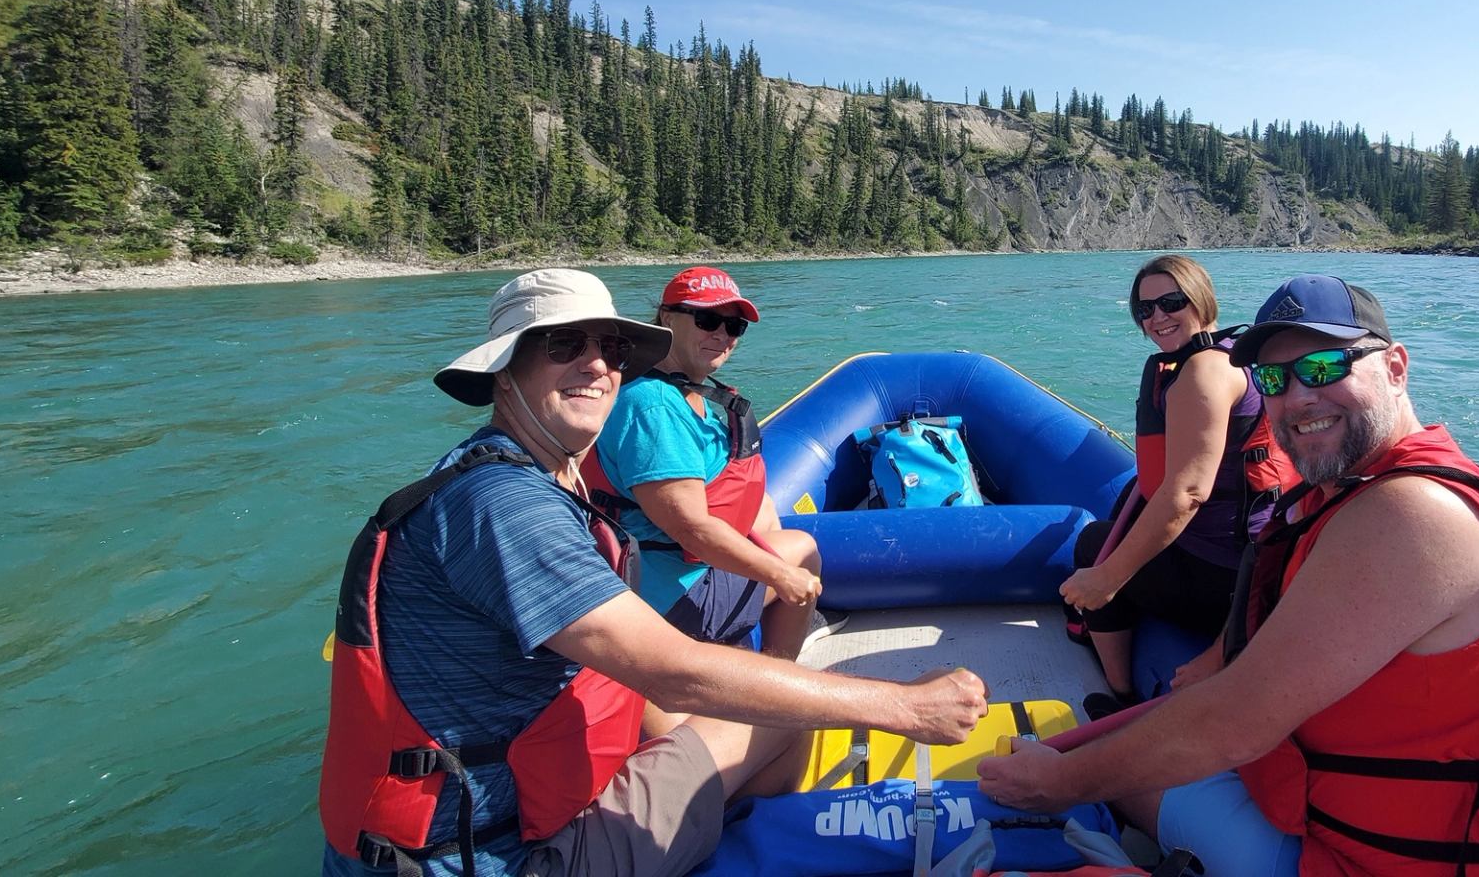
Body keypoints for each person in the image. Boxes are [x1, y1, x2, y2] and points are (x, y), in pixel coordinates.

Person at [319, 268, 987, 877]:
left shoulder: (504, 471)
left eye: (611, 349)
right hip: (512, 857)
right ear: (504, 370)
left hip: (509, 813)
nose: (597, 366)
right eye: (562, 345)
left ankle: (715, 826)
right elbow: (675, 670)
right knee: (780, 717)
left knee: (738, 706)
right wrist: (904, 706)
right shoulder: (504, 505)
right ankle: (747, 849)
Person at [984, 274, 1479, 876]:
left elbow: (1233, 724)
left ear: (1396, 367)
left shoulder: (1411, 515)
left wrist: (1056, 783)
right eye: (1274, 380)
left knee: (1129, 784)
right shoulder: (1347, 490)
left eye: (1324, 366)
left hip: (1399, 862)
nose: (1298, 397)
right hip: (1342, 806)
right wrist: (1219, 654)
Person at [1060, 254, 1295, 715]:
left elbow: (1188, 493)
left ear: (1201, 300)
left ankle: (1120, 693)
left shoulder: (1202, 372)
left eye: (1171, 302)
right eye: (1145, 309)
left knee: (1092, 544)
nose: (1157, 317)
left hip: (1221, 579)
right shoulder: (1237, 355)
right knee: (1126, 507)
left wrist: (1107, 578)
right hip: (1248, 561)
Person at [585, 266, 829, 660]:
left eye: (734, 326)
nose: (722, 335)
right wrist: (783, 576)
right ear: (667, 318)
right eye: (707, 320)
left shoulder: (684, 390)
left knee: (767, 512)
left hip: (678, 573)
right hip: (671, 598)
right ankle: (778, 672)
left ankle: (771, 624)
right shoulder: (654, 407)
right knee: (803, 551)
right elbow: (692, 529)